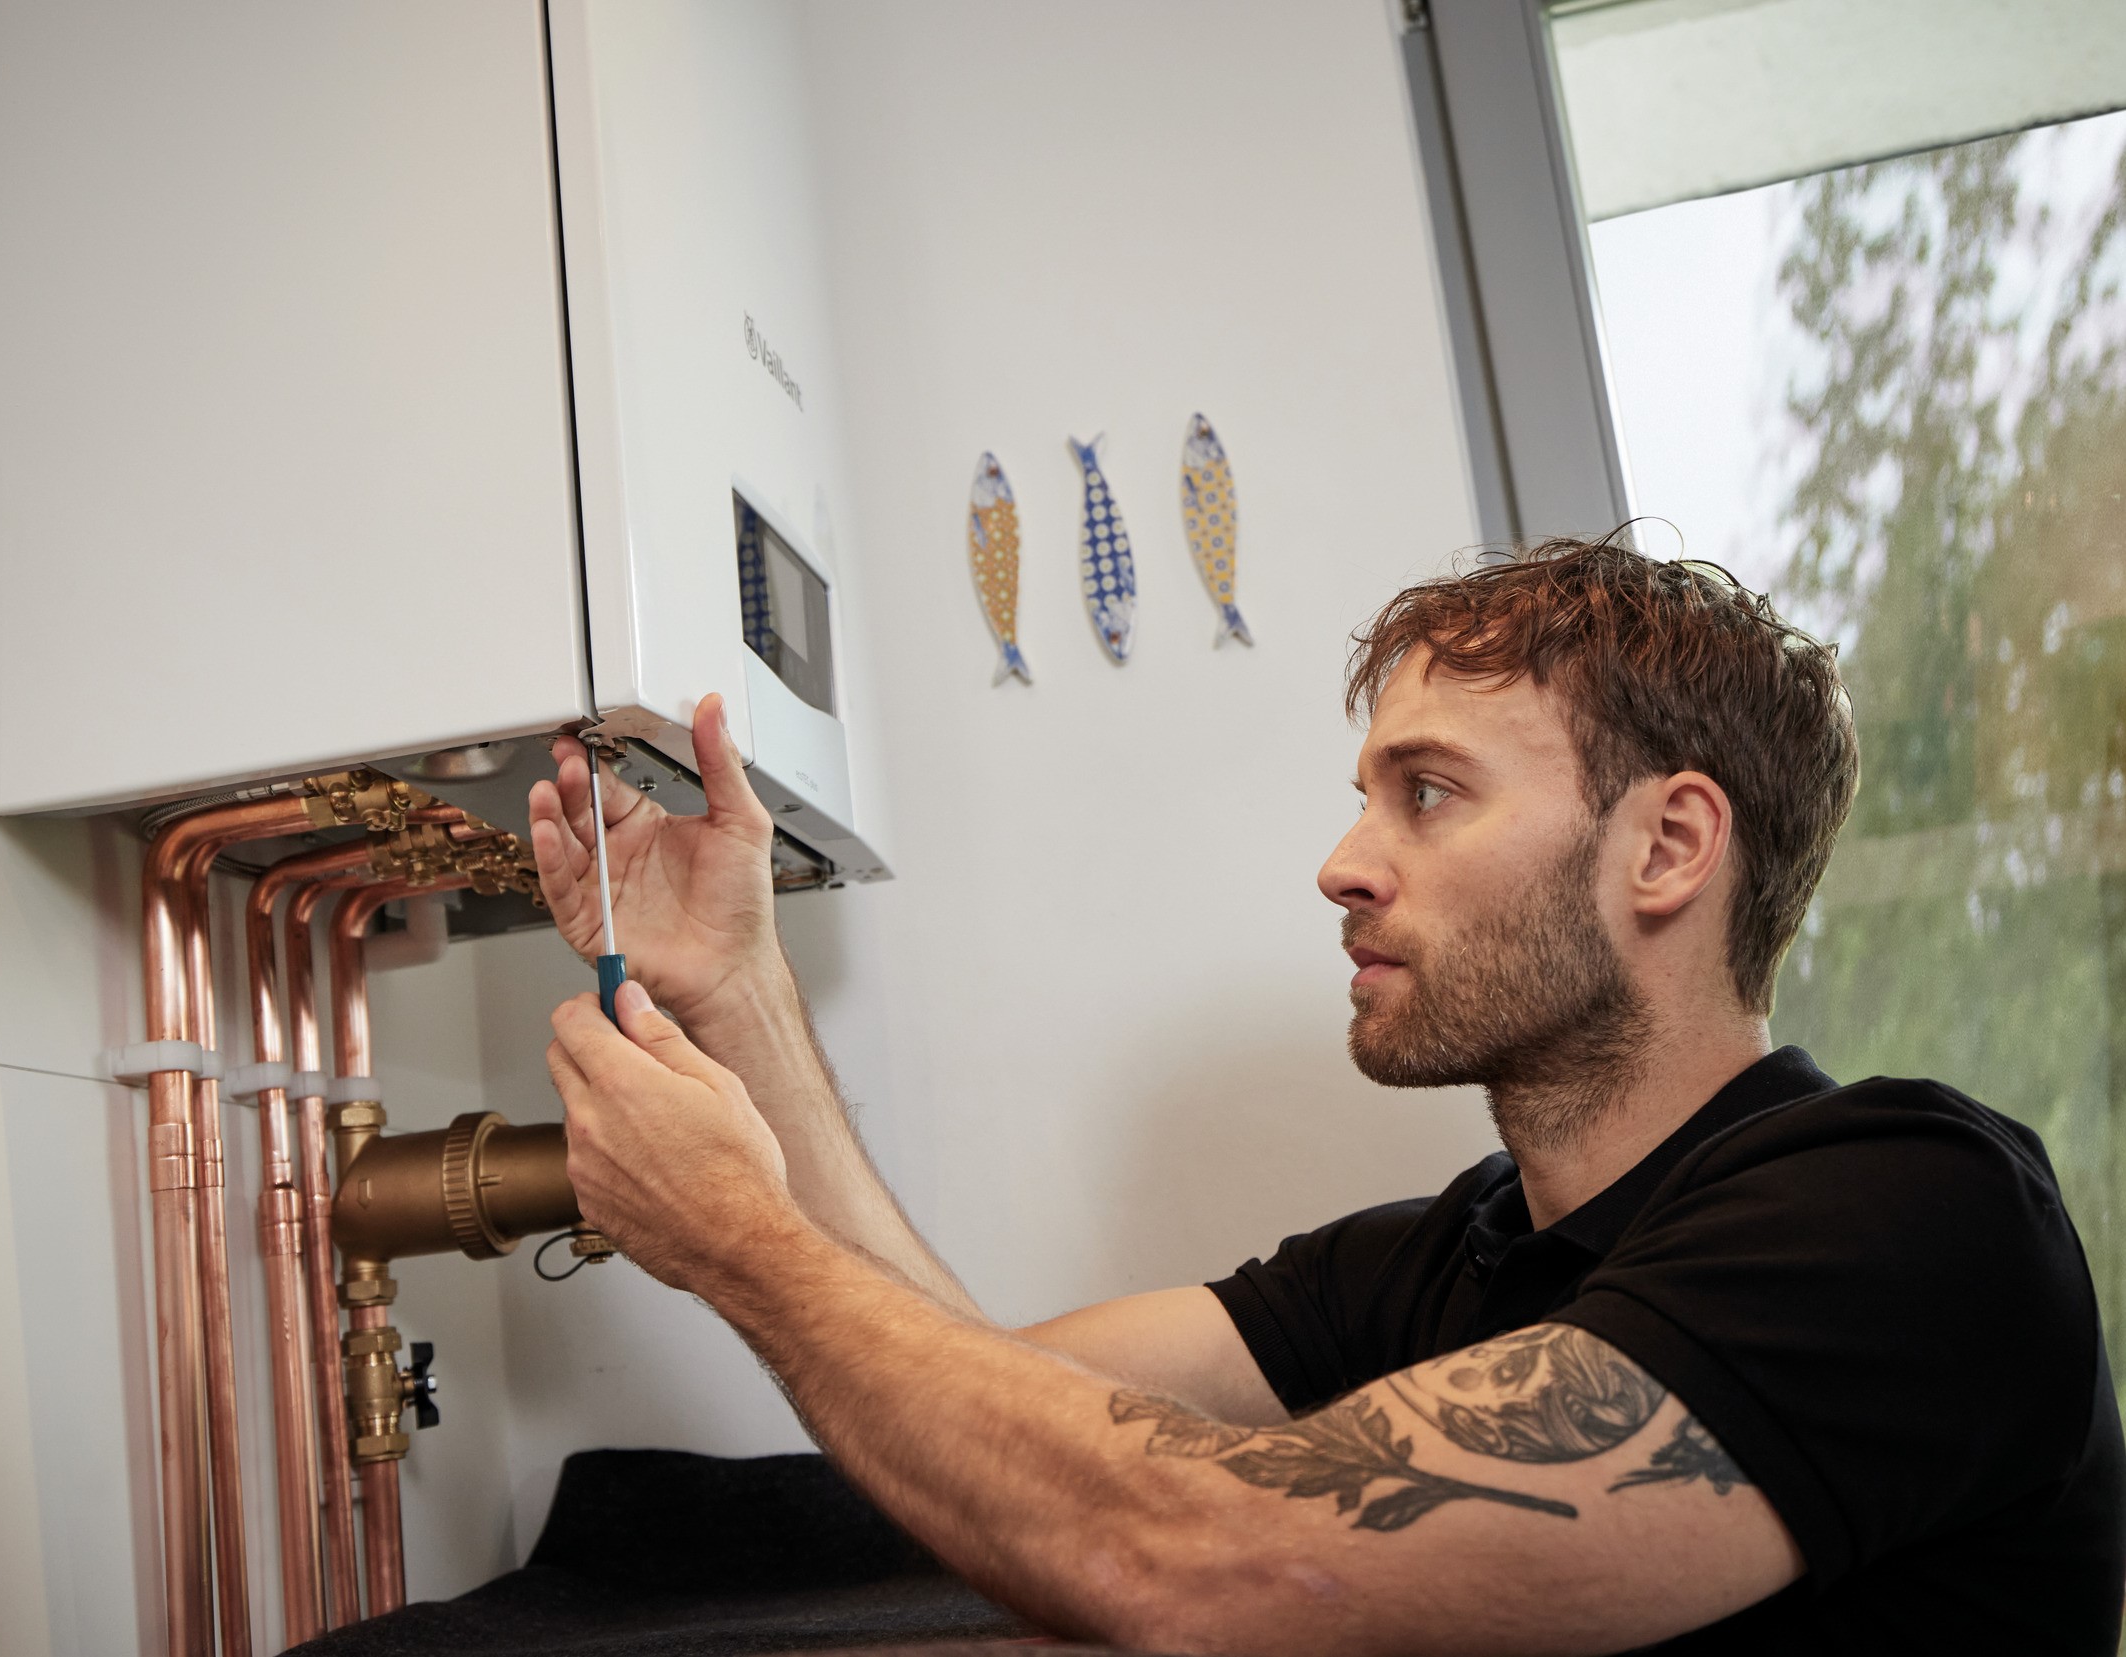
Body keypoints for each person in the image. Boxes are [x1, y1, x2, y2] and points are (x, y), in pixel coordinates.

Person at [524, 536, 2125, 1654]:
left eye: (1427, 792)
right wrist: (742, 989)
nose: (1344, 864)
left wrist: (740, 1236)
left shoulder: (1911, 1217)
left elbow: (1207, 1557)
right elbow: (988, 1426)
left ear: (1668, 846)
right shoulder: (1453, 1259)